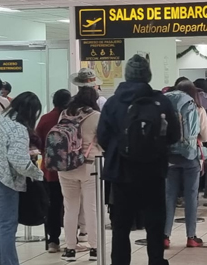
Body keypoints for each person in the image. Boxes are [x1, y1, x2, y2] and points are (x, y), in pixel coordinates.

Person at [97, 54, 180, 265]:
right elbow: (174, 135)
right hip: (153, 170)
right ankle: (156, 260)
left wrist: (120, 149)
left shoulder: (113, 103)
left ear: (126, 75)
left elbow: (103, 136)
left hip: (121, 172)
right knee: (155, 222)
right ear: (148, 76)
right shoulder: (161, 101)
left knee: (121, 225)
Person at [0, 92, 44, 265]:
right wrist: (38, 174)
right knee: (7, 227)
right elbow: (19, 161)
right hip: (4, 181)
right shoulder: (18, 129)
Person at [164, 80, 207, 248]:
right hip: (191, 158)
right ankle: (191, 236)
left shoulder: (168, 108)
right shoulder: (198, 109)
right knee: (191, 197)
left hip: (170, 156)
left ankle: (165, 236)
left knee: (169, 196)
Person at [56, 87, 102, 262]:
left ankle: (70, 250)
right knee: (91, 208)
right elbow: (104, 141)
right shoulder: (96, 116)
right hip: (89, 165)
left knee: (70, 208)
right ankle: (94, 248)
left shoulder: (64, 114)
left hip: (66, 166)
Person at [36, 89, 72, 253]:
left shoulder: (45, 119)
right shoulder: (71, 119)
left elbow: (37, 142)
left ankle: (53, 240)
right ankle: (73, 239)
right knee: (71, 205)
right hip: (70, 170)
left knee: (52, 205)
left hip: (50, 171)